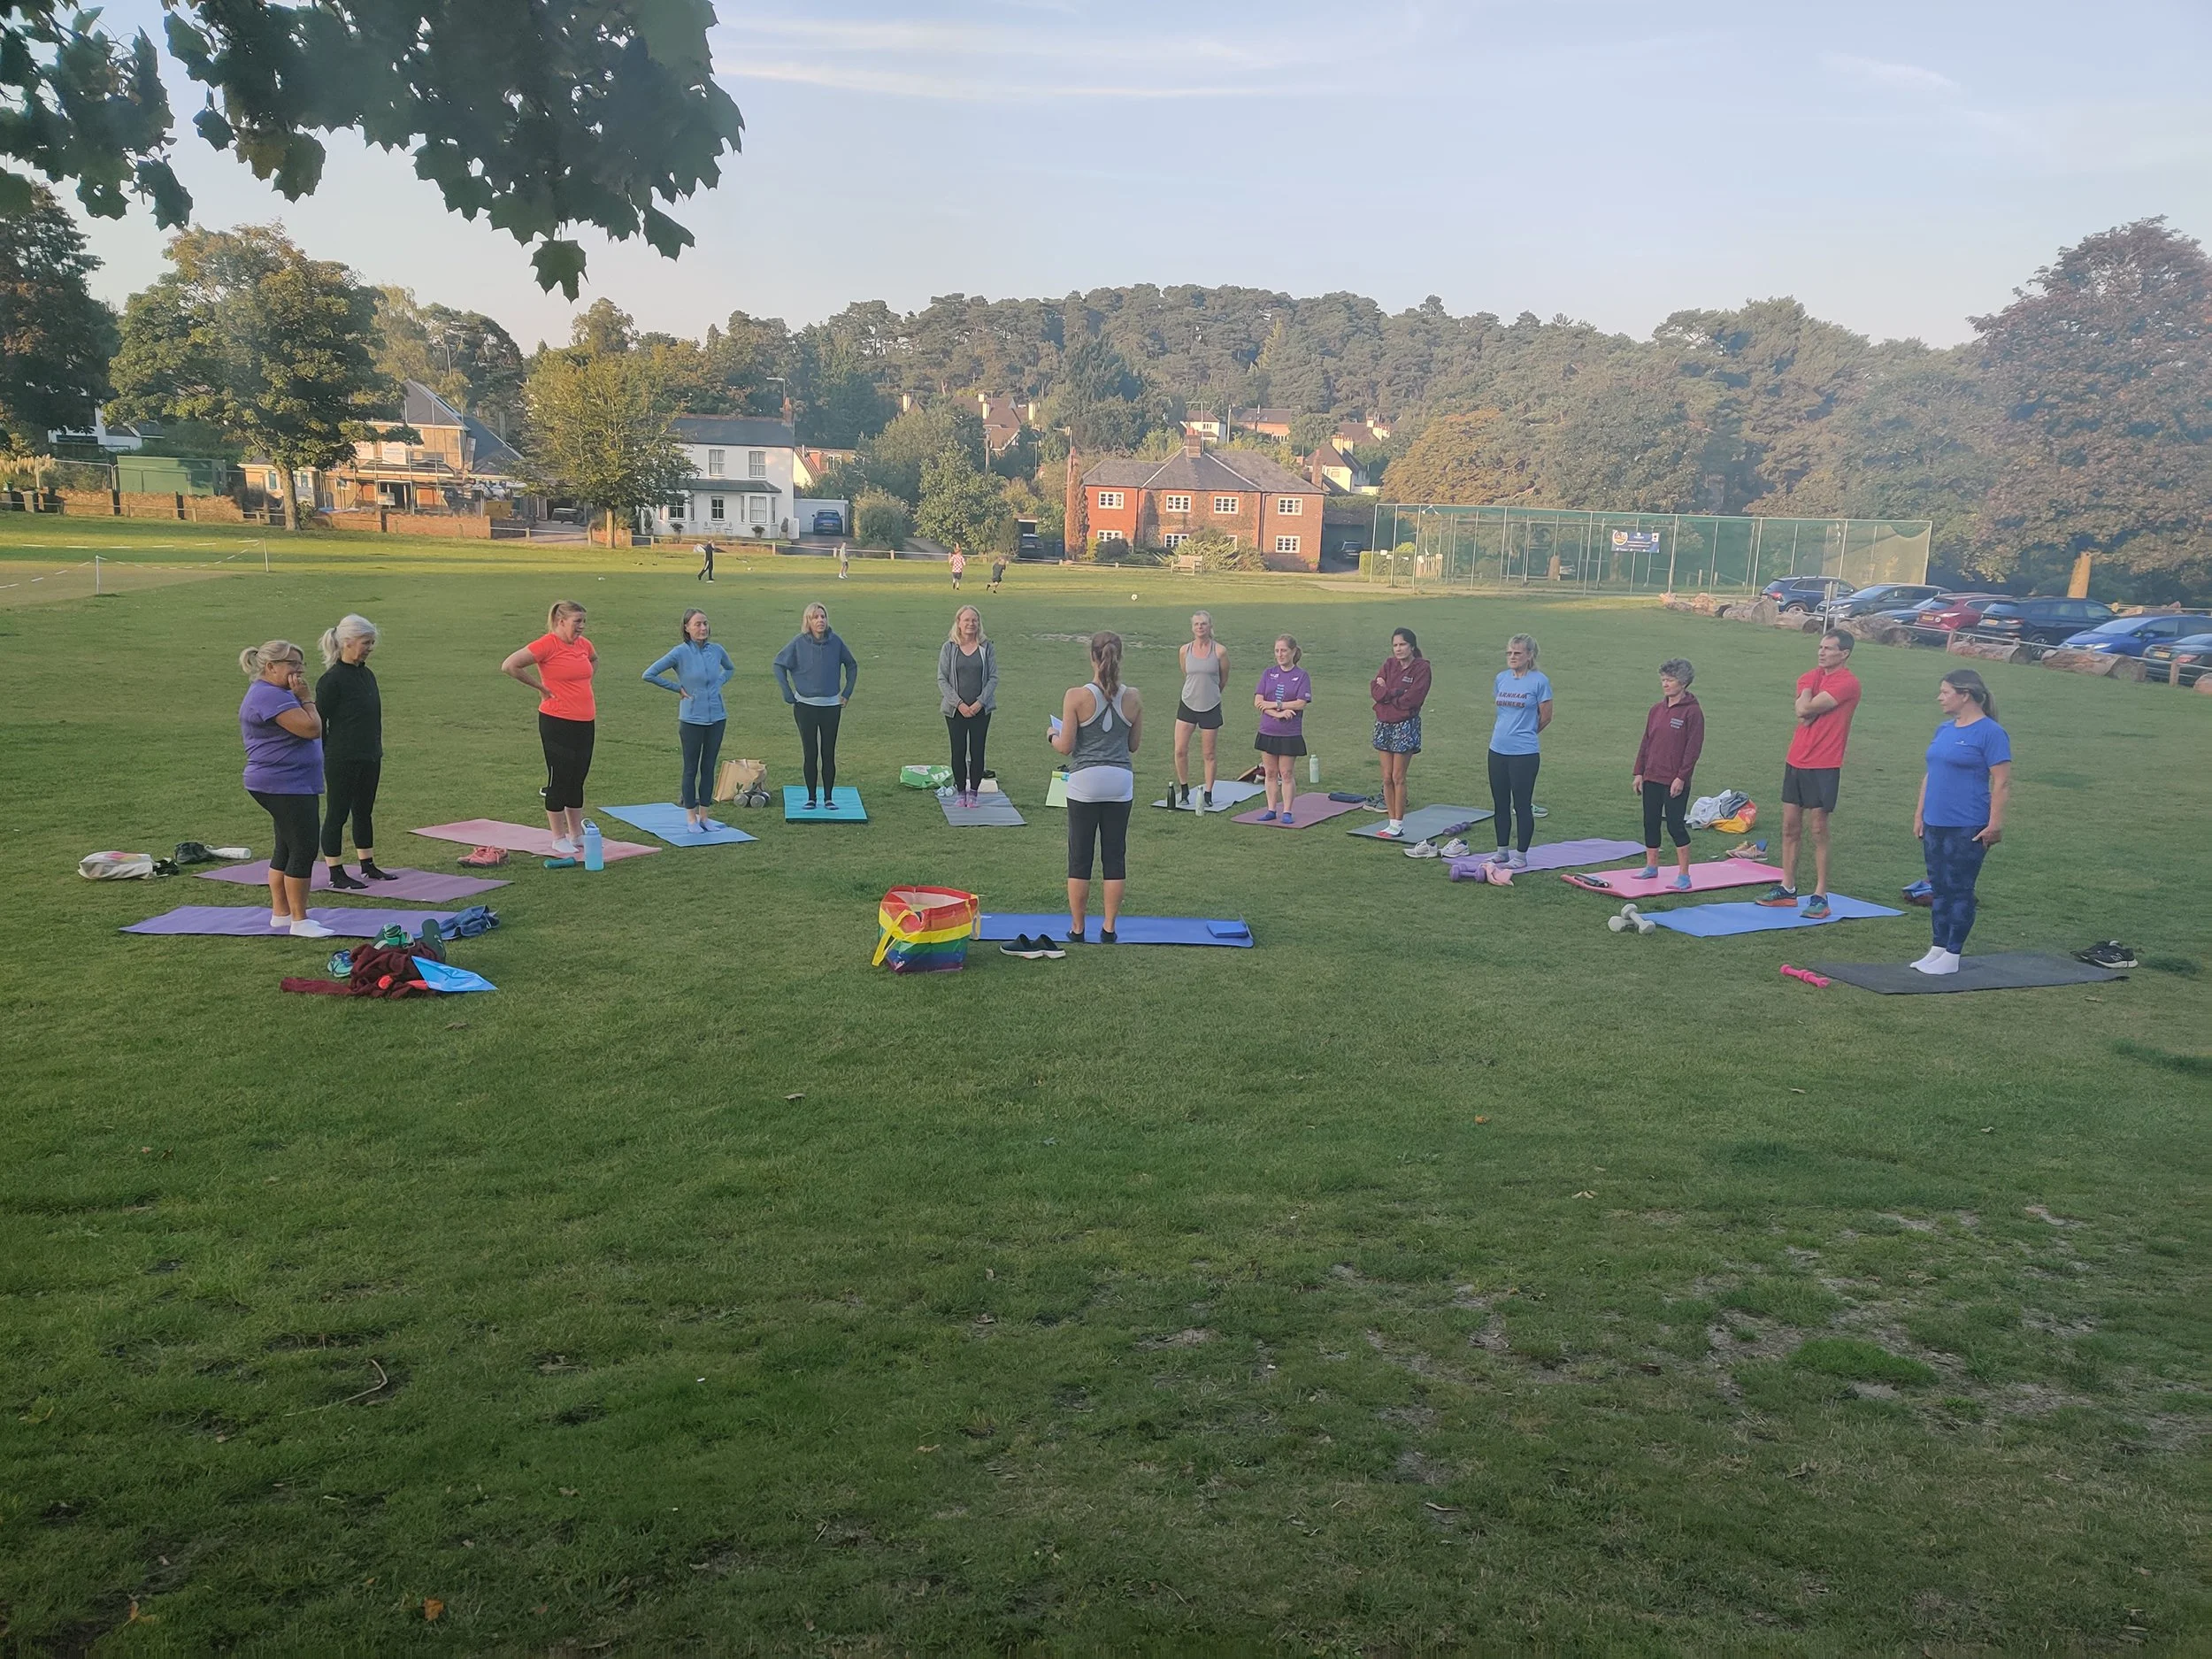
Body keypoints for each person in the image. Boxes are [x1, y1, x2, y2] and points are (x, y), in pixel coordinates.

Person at [1911, 670, 2011, 975]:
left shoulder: (1991, 733)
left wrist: (1994, 824)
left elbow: (2002, 782)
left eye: (1945, 692)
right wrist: (1920, 814)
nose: (1940, 697)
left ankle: (1953, 955)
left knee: (1960, 888)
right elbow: (1930, 773)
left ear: (1965, 694)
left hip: (1967, 824)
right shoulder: (1944, 729)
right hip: (1935, 822)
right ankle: (1937, 948)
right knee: (1939, 887)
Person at [1759, 628, 1863, 920]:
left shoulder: (1848, 683)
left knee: (1818, 829)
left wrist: (1807, 704)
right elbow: (1802, 712)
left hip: (1825, 764)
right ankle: (1787, 888)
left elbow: (1809, 708)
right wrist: (1807, 701)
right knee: (1790, 827)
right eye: (1820, 647)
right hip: (1796, 760)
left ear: (1844, 654)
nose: (1821, 652)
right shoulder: (1809, 676)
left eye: (1829, 649)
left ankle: (1820, 894)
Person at [237, 639, 334, 937]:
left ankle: (281, 914)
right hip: (284, 783)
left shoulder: (274, 692)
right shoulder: (270, 696)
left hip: (287, 782)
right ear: (270, 667)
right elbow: (312, 729)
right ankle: (300, 920)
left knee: (286, 846)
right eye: (293, 664)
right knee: (303, 848)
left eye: (301, 663)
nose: (300, 670)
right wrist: (306, 698)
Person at [1049, 632, 1142, 944]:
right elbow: (1133, 745)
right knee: (1114, 856)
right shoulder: (1134, 697)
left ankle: (1077, 929)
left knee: (1080, 857)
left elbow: (1066, 747)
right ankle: (1109, 928)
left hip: (1085, 782)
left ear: (1092, 657)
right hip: (1119, 782)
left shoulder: (1075, 696)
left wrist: (1051, 734)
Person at [500, 600, 598, 864]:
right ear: (561, 622)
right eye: (577, 621)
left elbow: (593, 660)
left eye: (583, 621)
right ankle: (558, 836)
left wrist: (583, 685)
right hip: (557, 721)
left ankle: (576, 833)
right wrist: (540, 688)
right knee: (560, 776)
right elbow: (510, 665)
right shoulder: (547, 644)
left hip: (585, 720)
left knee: (578, 776)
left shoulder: (583, 645)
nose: (582, 627)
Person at [315, 613, 396, 890]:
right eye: (366, 642)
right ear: (347, 642)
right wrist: (324, 754)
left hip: (370, 754)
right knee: (337, 813)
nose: (370, 647)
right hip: (341, 757)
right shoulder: (332, 680)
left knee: (364, 811)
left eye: (372, 642)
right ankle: (336, 871)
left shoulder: (366, 674)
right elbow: (318, 721)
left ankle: (367, 864)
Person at [642, 608, 737, 831]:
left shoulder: (717, 650)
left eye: (705, 624)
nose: (703, 628)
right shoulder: (679, 653)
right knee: (691, 768)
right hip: (692, 719)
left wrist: (719, 683)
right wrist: (678, 688)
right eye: (697, 624)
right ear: (686, 627)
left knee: (709, 766)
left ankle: (705, 816)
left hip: (717, 717)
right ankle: (691, 817)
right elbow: (649, 674)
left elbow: (730, 669)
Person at [772, 602, 859, 809]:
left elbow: (852, 665)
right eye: (815, 617)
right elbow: (778, 664)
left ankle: (828, 797)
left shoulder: (836, 642)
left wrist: (846, 693)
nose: (820, 620)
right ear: (808, 621)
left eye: (823, 617)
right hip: (805, 707)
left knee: (828, 753)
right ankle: (811, 797)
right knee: (810, 752)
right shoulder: (798, 643)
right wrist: (787, 692)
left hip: (831, 706)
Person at [1631, 657, 1704, 887]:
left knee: (1675, 825)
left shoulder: (1692, 713)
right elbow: (1646, 742)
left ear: (1683, 683)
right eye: (1663, 680)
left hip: (1674, 781)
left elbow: (1693, 750)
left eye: (1670, 680)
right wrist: (1639, 772)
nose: (1665, 684)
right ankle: (1651, 867)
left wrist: (1681, 777)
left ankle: (1684, 875)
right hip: (1651, 776)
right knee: (1650, 822)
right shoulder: (1656, 710)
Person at [1486, 633, 1553, 867]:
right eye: (1509, 653)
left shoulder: (1539, 681)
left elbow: (1546, 716)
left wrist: (1525, 734)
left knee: (1522, 805)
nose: (1512, 657)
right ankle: (1502, 850)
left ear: (1529, 655)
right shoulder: (1501, 679)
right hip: (1497, 749)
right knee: (1500, 803)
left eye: (1517, 653)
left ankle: (1521, 855)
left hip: (1524, 754)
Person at [1369, 626, 1431, 838]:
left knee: (1398, 776)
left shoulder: (1421, 668)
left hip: (1405, 725)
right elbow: (1375, 691)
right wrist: (1393, 693)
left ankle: (1399, 823)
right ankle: (1391, 821)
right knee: (1386, 777)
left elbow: (1413, 698)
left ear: (1412, 646)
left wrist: (1388, 695)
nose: (1398, 649)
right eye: (1395, 645)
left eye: (1402, 644)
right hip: (1384, 723)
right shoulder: (1388, 664)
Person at [937, 604, 997, 806]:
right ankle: (961, 792)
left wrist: (980, 703)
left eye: (974, 620)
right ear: (958, 623)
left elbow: (993, 678)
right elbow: (942, 679)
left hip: (981, 710)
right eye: (967, 620)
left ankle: (974, 793)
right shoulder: (949, 647)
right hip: (955, 711)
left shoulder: (986, 647)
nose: (971, 624)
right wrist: (960, 704)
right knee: (958, 750)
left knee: (977, 750)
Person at [1171, 611, 1228, 808]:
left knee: (1209, 753)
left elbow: (1223, 679)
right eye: (1196, 624)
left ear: (1210, 625)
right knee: (1180, 750)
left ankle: (1209, 793)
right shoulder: (1184, 650)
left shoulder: (1219, 651)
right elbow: (1186, 673)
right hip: (1187, 704)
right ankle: (1185, 789)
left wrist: (1212, 693)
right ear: (1192, 627)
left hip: (1211, 706)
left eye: (1203, 624)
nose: (1200, 627)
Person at [1253, 635, 1312, 823]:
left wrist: (1276, 705)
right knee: (1270, 773)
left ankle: (1287, 811)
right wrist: (1279, 712)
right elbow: (1258, 701)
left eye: (1284, 650)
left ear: (1293, 652)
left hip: (1289, 733)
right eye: (1277, 651)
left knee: (1286, 773)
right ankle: (1271, 809)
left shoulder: (1301, 676)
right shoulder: (1268, 673)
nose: (1280, 654)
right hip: (1268, 730)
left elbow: (1301, 703)